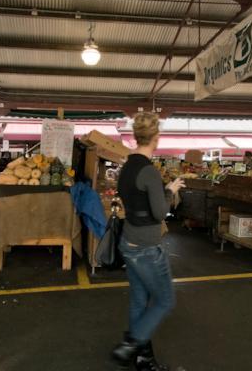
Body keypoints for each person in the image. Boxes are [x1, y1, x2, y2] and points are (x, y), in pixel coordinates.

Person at [112, 112, 185, 371]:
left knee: (139, 300)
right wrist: (170, 191)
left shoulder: (126, 167)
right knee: (165, 300)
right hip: (146, 247)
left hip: (128, 241)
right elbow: (160, 212)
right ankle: (130, 344)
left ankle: (143, 359)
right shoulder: (149, 171)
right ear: (156, 138)